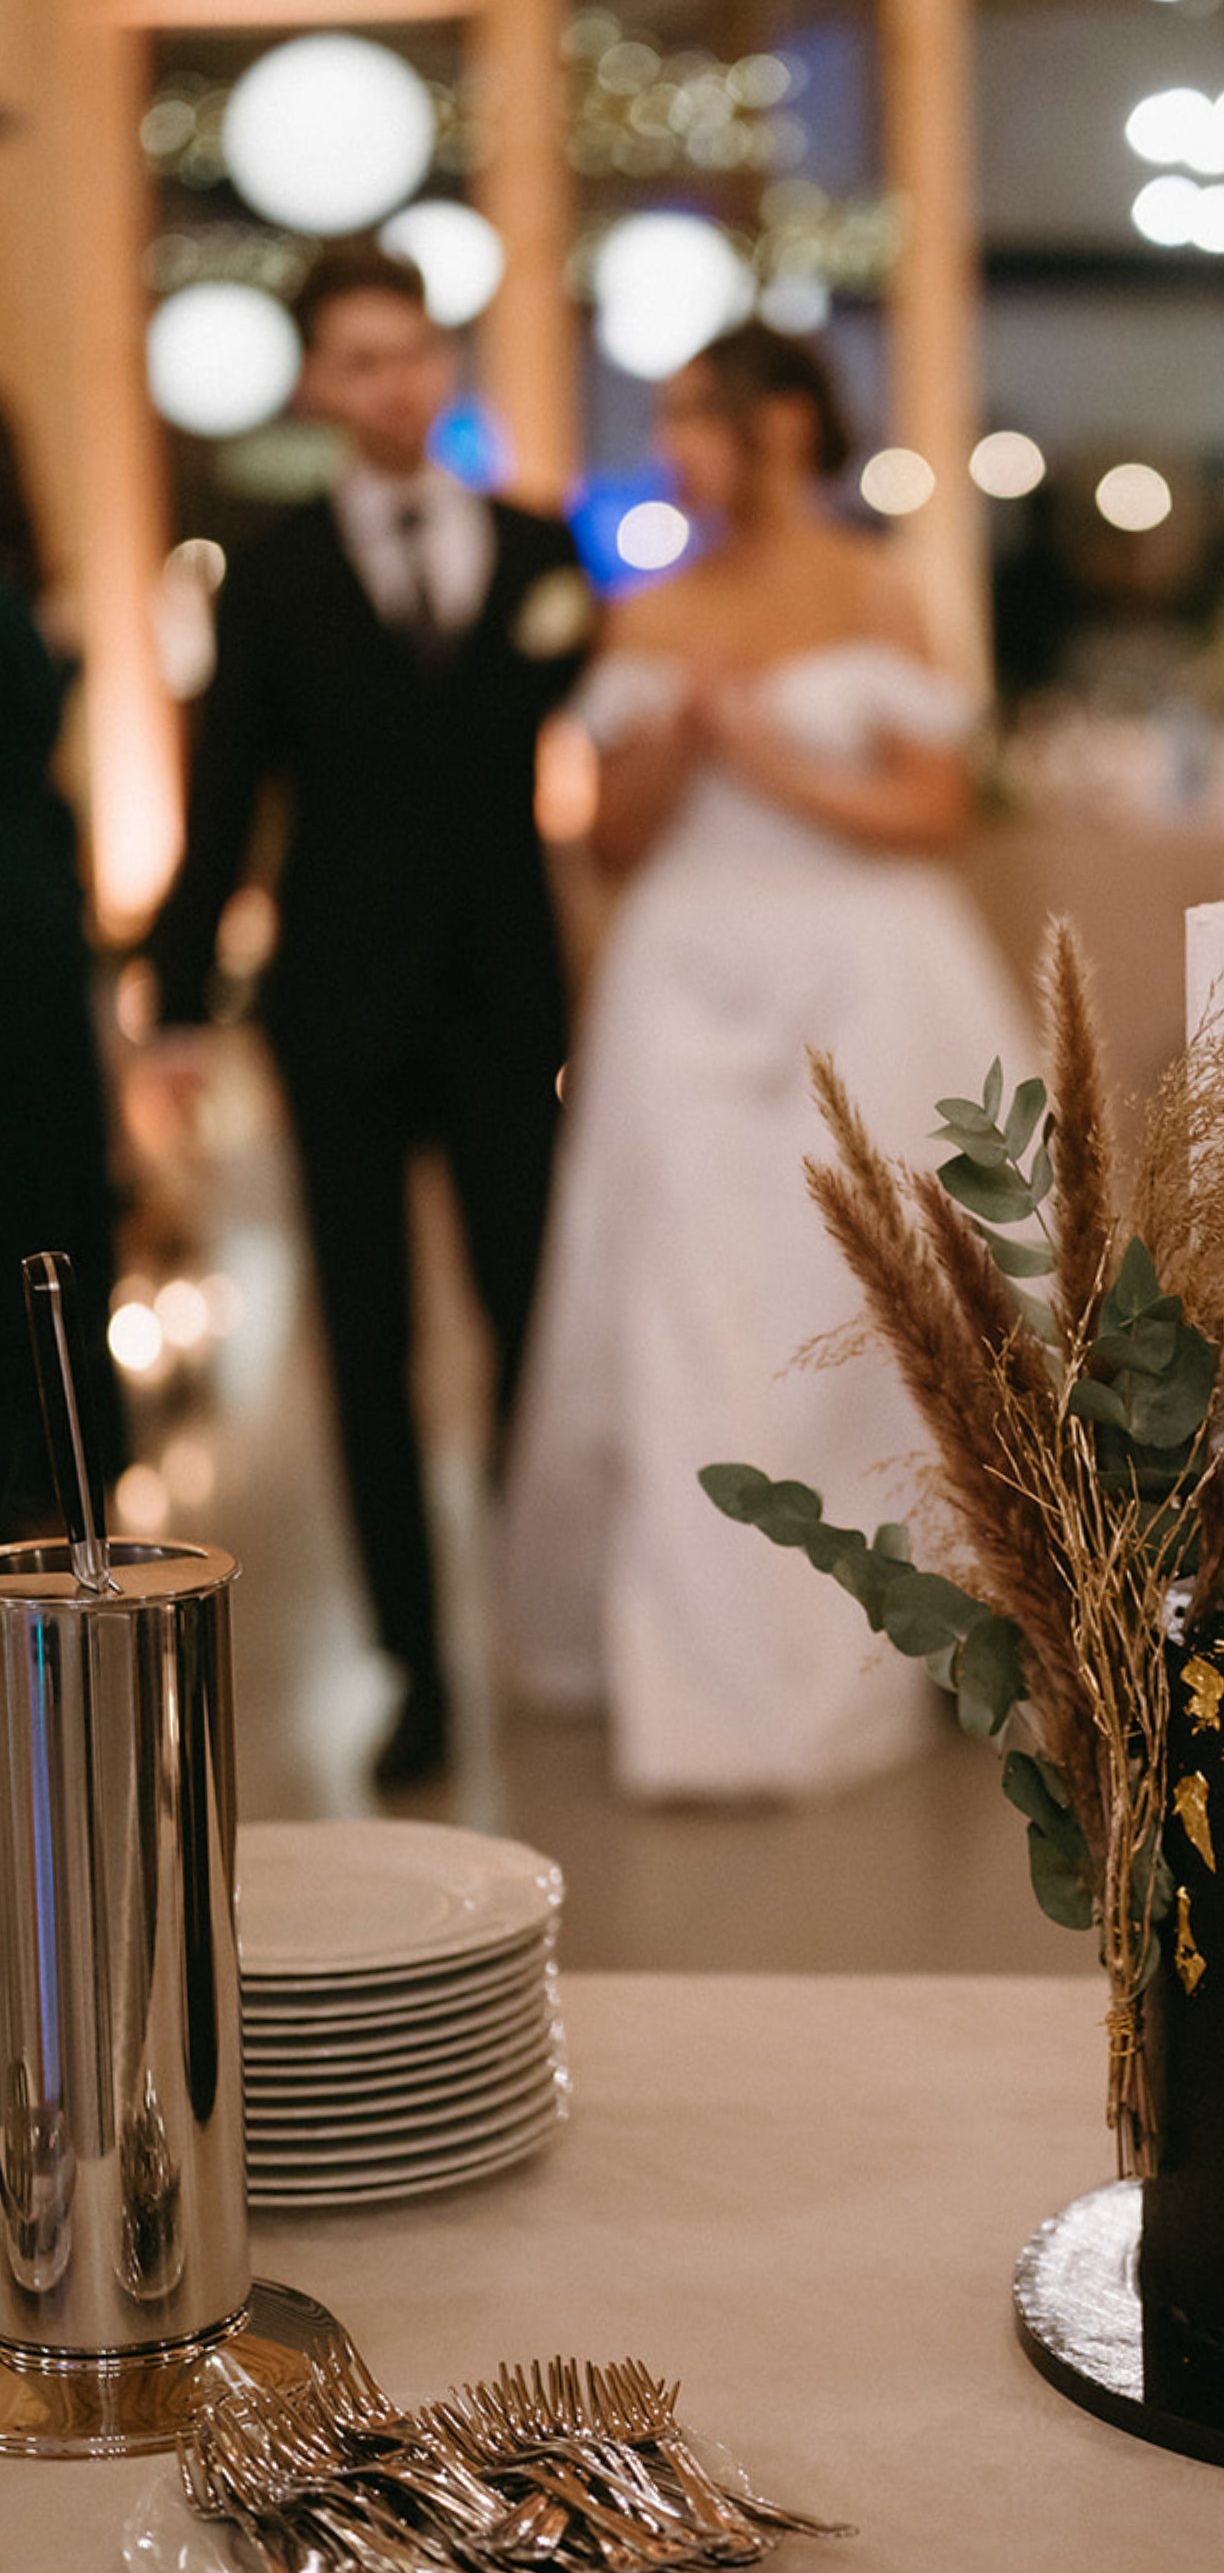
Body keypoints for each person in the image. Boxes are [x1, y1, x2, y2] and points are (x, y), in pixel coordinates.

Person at [499, 325, 1035, 1797]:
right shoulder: (645, 610)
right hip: (683, 977)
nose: (673, 448)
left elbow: (933, 814)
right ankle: (707, 1660)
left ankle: (917, 1629)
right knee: (683, 1295)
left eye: (699, 419)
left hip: (862, 975)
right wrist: (677, 740)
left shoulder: (876, 591)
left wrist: (765, 748)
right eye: (665, 420)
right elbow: (609, 841)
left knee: (876, 1301)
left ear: (786, 429)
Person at [146, 240, 596, 1782]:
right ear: (317, 385)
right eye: (358, 359)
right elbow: (221, 799)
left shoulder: (543, 553)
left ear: (443, 365)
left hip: (501, 1001)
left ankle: (546, 1622)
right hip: (334, 1009)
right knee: (368, 1343)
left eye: (414, 351)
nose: (393, 382)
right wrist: (177, 995)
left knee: (535, 1317)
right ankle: (414, 1663)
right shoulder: (266, 575)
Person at [0, 405, 125, 1538]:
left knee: (40, 1195)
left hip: (30, 932)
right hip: (28, 919)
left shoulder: (25, 577)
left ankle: (51, 1462)